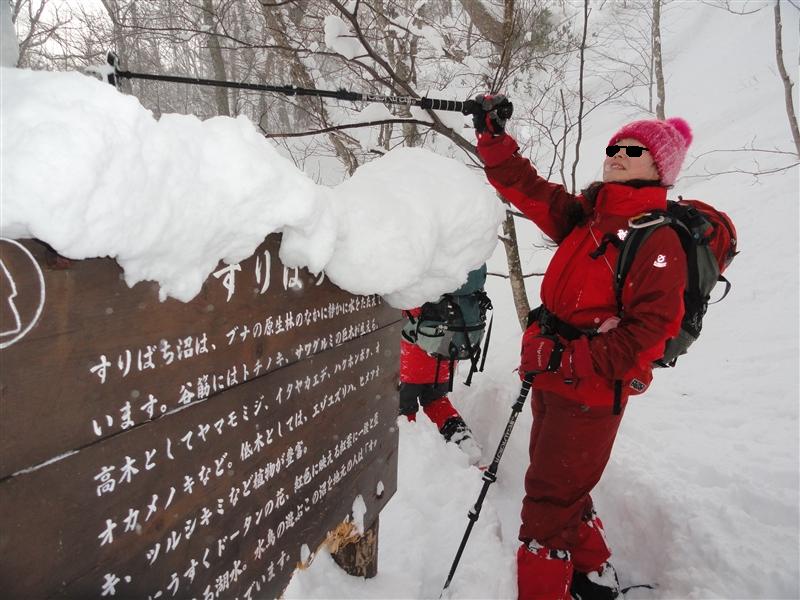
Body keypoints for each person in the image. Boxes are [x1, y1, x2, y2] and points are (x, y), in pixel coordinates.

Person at [471, 94, 692, 600]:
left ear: (658, 167)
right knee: (563, 486)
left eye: (633, 150)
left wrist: (565, 358)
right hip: (553, 377)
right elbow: (528, 190)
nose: (616, 152)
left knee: (547, 502)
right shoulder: (591, 216)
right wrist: (494, 137)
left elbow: (647, 334)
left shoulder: (657, 240)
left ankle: (545, 588)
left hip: (590, 392)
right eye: (615, 145)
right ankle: (593, 575)